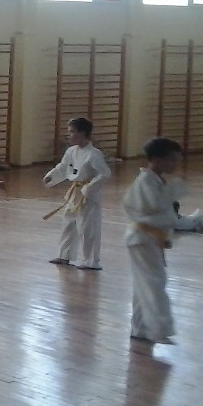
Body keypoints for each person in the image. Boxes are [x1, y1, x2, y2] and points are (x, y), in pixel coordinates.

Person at [123, 137, 183, 345]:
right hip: (143, 238)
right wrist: (172, 196)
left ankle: (141, 328)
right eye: (171, 160)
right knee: (154, 282)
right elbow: (153, 208)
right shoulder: (146, 182)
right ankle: (158, 328)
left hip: (148, 238)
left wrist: (168, 233)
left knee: (145, 283)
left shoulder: (156, 181)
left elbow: (163, 211)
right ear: (156, 159)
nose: (175, 164)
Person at [43, 117, 111, 270]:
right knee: (69, 223)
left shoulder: (94, 154)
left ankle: (91, 261)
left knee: (88, 228)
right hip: (74, 192)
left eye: (72, 132)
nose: (69, 135)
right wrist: (51, 176)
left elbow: (105, 174)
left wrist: (89, 188)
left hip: (89, 195)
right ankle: (65, 255)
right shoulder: (71, 151)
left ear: (83, 133)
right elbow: (63, 167)